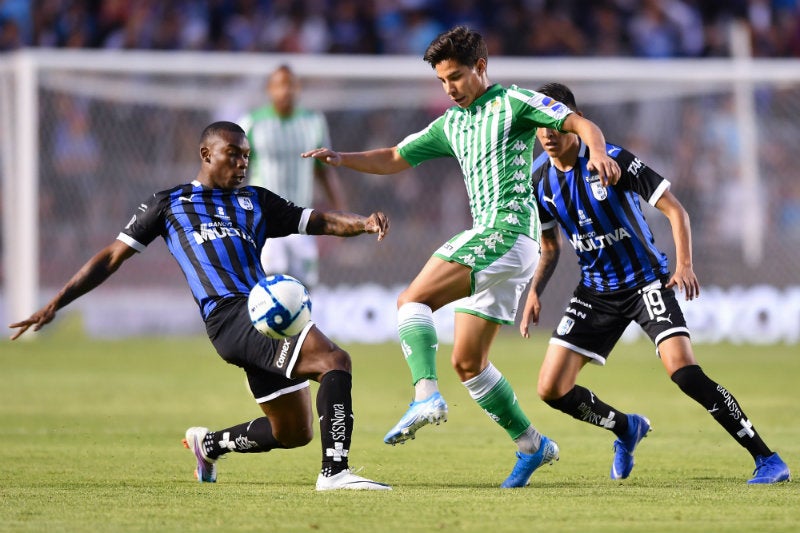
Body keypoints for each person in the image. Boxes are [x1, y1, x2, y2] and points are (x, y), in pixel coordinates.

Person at [303, 26, 621, 488]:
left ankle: (425, 396)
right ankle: (532, 445)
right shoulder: (451, 124)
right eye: (442, 81)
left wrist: (595, 152)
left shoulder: (514, 102)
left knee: (411, 302)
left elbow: (578, 123)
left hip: (505, 232)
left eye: (455, 76)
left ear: (481, 67)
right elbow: (395, 156)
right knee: (469, 362)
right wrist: (341, 158)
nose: (449, 88)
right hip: (507, 249)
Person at [9, 121, 392, 492]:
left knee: (293, 432)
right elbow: (112, 257)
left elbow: (319, 221)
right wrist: (57, 303)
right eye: (233, 155)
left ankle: (208, 446)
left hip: (263, 315)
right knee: (334, 360)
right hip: (230, 317)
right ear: (206, 154)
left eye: (246, 156)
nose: (242, 164)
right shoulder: (169, 204)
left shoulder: (255, 200)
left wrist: (363, 223)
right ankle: (335, 472)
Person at [523, 82, 791, 484]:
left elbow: (675, 210)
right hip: (595, 292)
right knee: (551, 389)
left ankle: (767, 458)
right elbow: (550, 246)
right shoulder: (541, 182)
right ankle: (625, 428)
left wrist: (683, 264)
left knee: (683, 371)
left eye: (554, 124)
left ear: (573, 125)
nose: (546, 134)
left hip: (645, 282)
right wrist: (534, 292)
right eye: (539, 125)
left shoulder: (611, 159)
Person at [239, 64, 346, 290]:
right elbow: (234, 172)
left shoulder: (314, 122)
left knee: (304, 288)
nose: (285, 91)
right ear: (269, 89)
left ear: (298, 89)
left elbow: (323, 171)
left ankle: (301, 325)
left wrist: (340, 211)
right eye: (279, 85)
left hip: (301, 219)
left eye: (291, 85)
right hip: (264, 220)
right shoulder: (251, 123)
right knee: (269, 286)